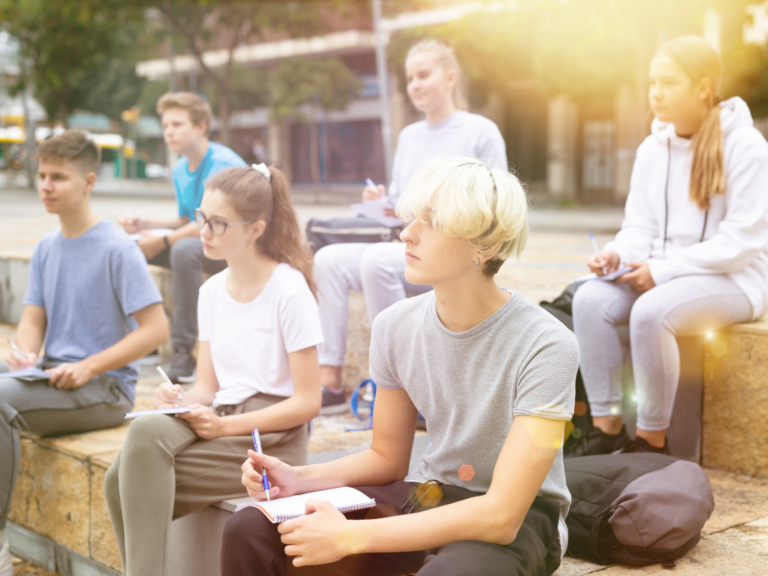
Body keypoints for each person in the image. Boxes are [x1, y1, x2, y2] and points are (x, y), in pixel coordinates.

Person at [221, 157, 579, 576]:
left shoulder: (548, 344)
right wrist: (299, 479)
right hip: (429, 494)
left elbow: (501, 515)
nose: (407, 233)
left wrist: (351, 537)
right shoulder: (396, 324)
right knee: (251, 527)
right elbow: (387, 458)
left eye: (433, 221)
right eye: (411, 219)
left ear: (488, 245)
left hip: (520, 519)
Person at [105, 164, 324, 576]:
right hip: (224, 417)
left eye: (218, 223)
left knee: (122, 481)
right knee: (145, 434)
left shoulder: (289, 290)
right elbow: (208, 386)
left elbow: (308, 402)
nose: (204, 230)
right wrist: (181, 399)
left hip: (272, 440)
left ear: (256, 228)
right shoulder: (210, 292)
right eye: (201, 217)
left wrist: (222, 428)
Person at [566, 36, 768, 458]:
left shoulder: (746, 147)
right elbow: (639, 226)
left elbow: (741, 242)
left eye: (669, 82)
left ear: (703, 86)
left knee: (651, 313)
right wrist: (617, 254)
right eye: (652, 81)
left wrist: (662, 271)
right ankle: (606, 430)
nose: (655, 92)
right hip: (664, 272)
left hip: (734, 278)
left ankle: (652, 442)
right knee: (588, 299)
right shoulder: (651, 148)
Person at [0, 131, 169, 576]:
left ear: (89, 181)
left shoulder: (117, 248)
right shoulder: (46, 248)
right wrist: (25, 354)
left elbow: (156, 330)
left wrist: (89, 365)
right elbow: (33, 318)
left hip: (104, 387)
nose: (46, 186)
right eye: (42, 175)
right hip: (51, 376)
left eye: (59, 177)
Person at [316, 40, 507, 413]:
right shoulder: (408, 136)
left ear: (450, 78)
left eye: (424, 75)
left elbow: (497, 201)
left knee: (375, 261)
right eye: (410, 78)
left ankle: (404, 387)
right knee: (328, 259)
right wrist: (384, 202)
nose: (415, 85)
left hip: (455, 248)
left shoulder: (480, 131)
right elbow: (406, 204)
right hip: (409, 238)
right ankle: (330, 379)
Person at [119, 92, 247, 383]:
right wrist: (144, 224)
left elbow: (209, 220)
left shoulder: (221, 163)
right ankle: (147, 340)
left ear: (200, 127)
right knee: (126, 249)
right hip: (206, 239)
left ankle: (183, 351)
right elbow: (186, 218)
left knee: (183, 251)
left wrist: (162, 241)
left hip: (236, 248)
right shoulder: (179, 168)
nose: (169, 132)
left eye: (177, 124)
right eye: (165, 125)